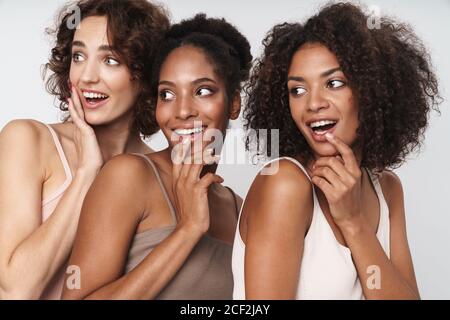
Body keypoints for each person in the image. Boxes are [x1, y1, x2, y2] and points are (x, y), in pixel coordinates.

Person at [232, 3, 440, 299]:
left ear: (372, 89)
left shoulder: (387, 189)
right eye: (298, 90)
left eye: (334, 83)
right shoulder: (285, 183)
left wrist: (353, 223)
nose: (313, 103)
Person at [62, 14, 252, 300]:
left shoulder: (239, 209)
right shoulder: (129, 176)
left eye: (202, 91)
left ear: (234, 102)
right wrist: (188, 230)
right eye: (167, 94)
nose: (183, 111)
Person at [0, 0, 169, 299]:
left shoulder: (157, 171)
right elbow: (16, 289)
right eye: (79, 56)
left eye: (110, 60)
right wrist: (86, 173)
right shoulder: (28, 140)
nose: (87, 76)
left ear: (144, 75)